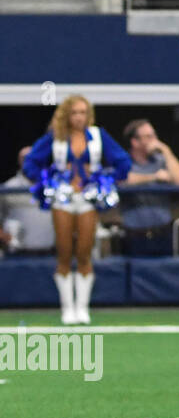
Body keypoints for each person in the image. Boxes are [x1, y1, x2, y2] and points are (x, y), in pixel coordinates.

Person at [22, 96, 132, 324]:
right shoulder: (56, 138)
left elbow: (124, 163)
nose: (79, 117)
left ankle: (82, 307)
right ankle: (67, 307)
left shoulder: (99, 137)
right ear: (66, 115)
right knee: (63, 251)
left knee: (84, 251)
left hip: (88, 197)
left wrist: (103, 176)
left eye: (83, 112)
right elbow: (30, 163)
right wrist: (50, 178)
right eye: (74, 112)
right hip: (63, 197)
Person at [119, 118, 179, 256]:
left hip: (162, 234)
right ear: (135, 141)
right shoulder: (124, 161)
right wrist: (154, 177)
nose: (154, 141)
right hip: (135, 236)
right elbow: (121, 179)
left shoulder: (160, 160)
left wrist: (166, 150)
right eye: (149, 137)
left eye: (154, 135)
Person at [2, 148, 56, 257]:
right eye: (25, 158)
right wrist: (4, 236)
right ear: (19, 162)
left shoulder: (55, 186)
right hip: (17, 255)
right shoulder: (8, 188)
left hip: (51, 254)